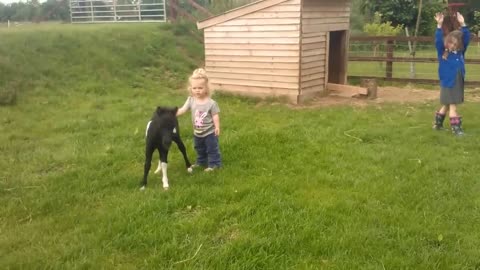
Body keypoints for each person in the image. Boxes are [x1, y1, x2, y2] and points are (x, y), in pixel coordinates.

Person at [433, 12, 470, 136]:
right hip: (448, 82)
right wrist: (439, 25)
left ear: (459, 45)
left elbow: (466, 37)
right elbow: (438, 40)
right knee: (453, 106)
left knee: (447, 104)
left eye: (455, 44)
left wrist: (462, 23)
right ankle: (456, 129)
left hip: (457, 81)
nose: (453, 45)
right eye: (451, 42)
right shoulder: (442, 52)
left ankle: (437, 124)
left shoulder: (460, 53)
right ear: (447, 41)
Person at [177, 68, 222, 171]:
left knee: (212, 149)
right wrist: (173, 113)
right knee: (199, 148)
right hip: (197, 132)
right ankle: (201, 162)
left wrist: (217, 127)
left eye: (200, 88)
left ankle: (214, 164)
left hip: (210, 132)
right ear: (191, 88)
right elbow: (183, 109)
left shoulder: (211, 103)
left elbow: (215, 115)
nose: (197, 90)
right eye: (194, 88)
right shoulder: (191, 100)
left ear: (206, 88)